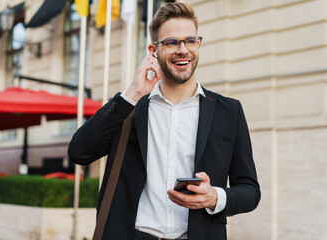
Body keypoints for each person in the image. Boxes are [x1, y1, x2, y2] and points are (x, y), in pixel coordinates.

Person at [68, 2, 261, 240]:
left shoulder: (229, 111)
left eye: (190, 40)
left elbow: (251, 191)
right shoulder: (131, 107)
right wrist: (132, 93)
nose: (183, 50)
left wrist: (215, 197)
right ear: (153, 50)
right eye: (171, 42)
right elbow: (79, 152)